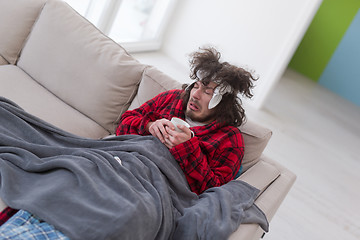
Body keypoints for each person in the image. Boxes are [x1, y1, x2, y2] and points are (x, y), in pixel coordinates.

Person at [116, 46, 257, 194]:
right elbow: (123, 125)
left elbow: (214, 191)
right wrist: (149, 125)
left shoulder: (229, 138)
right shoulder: (172, 98)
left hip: (155, 190)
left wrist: (188, 148)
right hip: (124, 162)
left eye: (207, 92)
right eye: (195, 86)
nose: (195, 95)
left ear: (222, 103)